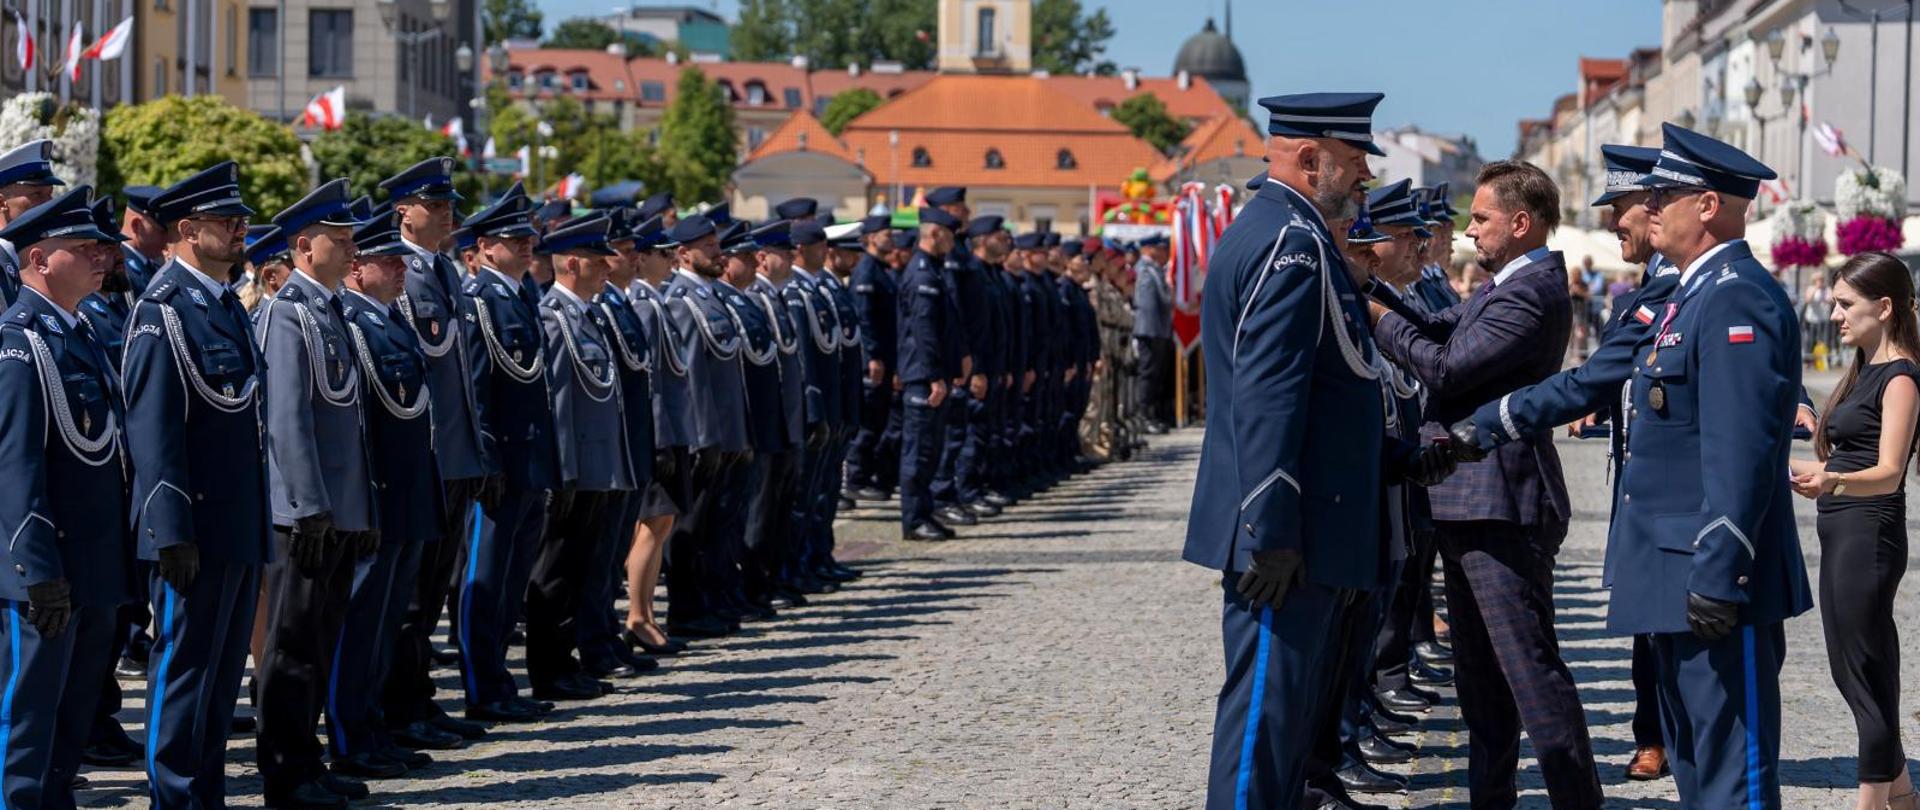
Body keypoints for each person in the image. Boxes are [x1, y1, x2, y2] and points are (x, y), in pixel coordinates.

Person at [1369, 161, 1604, 809]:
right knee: (1481, 686)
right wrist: (1373, 291)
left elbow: (1447, 367)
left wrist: (1375, 316)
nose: (1469, 231)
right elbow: (1445, 327)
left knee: (1528, 672)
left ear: (1521, 223)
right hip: (1471, 497)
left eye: (1481, 218)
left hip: (1501, 500)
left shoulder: (1531, 291)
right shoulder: (1507, 284)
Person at [1184, 92, 1391, 810]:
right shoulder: (1291, 242)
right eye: (1355, 163)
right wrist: (1269, 529)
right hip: (1287, 535)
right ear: (1311, 159)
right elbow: (1267, 394)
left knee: (1283, 721)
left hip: (1300, 526)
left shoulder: (1285, 230)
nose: (1363, 179)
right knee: (1264, 724)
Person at [1596, 123, 1812, 809]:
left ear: (1709, 205)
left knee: (1732, 781)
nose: (1649, 208)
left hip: (1717, 583)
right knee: (1698, 770)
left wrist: (1721, 571)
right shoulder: (1693, 294)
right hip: (1678, 574)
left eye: (1666, 195)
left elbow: (1739, 451)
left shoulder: (1735, 295)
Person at [122, 161, 272, 809]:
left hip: (237, 517)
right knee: (184, 668)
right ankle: (175, 795)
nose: (241, 230)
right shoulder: (164, 312)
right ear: (187, 229)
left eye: (239, 220)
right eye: (225, 221)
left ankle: (203, 790)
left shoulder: (219, 304)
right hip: (193, 524)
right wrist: (168, 531)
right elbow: (153, 433)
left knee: (218, 672)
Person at [0, 186, 133, 810]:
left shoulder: (76, 333)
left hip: (94, 559)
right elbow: (15, 464)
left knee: (71, 717)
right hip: (47, 566)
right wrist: (36, 569)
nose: (98, 257)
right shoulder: (19, 341)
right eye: (80, 249)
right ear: (39, 259)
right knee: (26, 721)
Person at [252, 179, 383, 808]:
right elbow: (287, 420)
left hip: (336, 509)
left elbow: (346, 421)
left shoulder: (328, 308)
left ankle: (309, 760)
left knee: (320, 640)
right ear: (305, 246)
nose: (353, 245)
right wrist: (307, 505)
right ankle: (284, 774)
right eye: (342, 236)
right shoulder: (286, 312)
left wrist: (358, 509)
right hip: (302, 514)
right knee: (291, 646)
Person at [1786, 252, 1918, 810]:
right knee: (1856, 667)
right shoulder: (1862, 369)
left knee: (1862, 674)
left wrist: (1832, 480)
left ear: (1883, 308)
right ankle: (1904, 795)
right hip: (1842, 530)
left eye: (1846, 304)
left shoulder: (1902, 377)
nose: (1835, 314)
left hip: (1869, 532)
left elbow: (1889, 473)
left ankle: (1869, 803)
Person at [326, 209, 445, 785]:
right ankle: (350, 736)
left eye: (400, 260)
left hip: (406, 495)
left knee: (387, 621)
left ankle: (373, 727)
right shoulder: (351, 323)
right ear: (355, 271)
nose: (401, 269)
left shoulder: (390, 321)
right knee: (360, 624)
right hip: (377, 498)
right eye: (387, 261)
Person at [383, 160, 495, 749]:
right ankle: (402, 707)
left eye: (450, 202)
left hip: (453, 456)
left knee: (429, 594)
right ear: (405, 211)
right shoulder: (400, 273)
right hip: (424, 457)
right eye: (436, 203)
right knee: (409, 596)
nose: (450, 211)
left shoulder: (444, 271)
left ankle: (420, 698)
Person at [527, 212, 636, 701]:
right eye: (597, 260)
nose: (607, 267)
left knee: (581, 567)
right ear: (571, 263)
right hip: (574, 470)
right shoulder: (553, 316)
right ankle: (549, 667)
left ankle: (566, 659)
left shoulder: (587, 315)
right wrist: (565, 471)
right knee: (555, 570)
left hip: (596, 466)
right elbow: (559, 402)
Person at [660, 214, 754, 639]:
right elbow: (691, 375)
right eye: (710, 248)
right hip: (704, 434)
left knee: (716, 523)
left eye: (717, 245)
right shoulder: (682, 299)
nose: (719, 253)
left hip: (725, 429)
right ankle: (686, 608)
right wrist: (702, 436)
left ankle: (712, 599)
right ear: (683, 254)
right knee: (690, 527)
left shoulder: (713, 295)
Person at [623, 214, 695, 652]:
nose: (670, 260)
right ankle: (636, 613)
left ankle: (646, 611)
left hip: (671, 427)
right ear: (642, 259)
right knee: (650, 525)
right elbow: (648, 380)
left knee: (662, 523)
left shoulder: (657, 300)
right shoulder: (645, 305)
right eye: (663, 254)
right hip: (657, 431)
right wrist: (661, 437)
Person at [843, 216, 899, 501]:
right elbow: (864, 319)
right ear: (871, 238)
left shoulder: (881, 269)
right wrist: (873, 356)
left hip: (886, 356)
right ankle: (856, 478)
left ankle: (865, 476)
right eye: (886, 234)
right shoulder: (866, 270)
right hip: (874, 360)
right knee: (867, 423)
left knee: (877, 421)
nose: (891, 239)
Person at [0, 141, 65, 308]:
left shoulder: (44, 257)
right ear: (2, 203)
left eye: (50, 194)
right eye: (37, 194)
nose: (48, 203)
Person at [1132, 234, 1174, 434]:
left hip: (1157, 329)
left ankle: (1151, 414)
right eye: (1159, 247)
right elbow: (1148, 304)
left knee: (1156, 375)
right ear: (1148, 248)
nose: (1164, 251)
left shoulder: (1154, 269)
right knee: (1147, 374)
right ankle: (1143, 416)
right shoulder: (1145, 270)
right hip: (1148, 329)